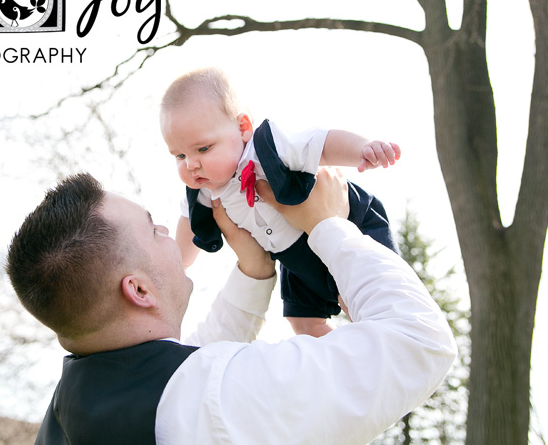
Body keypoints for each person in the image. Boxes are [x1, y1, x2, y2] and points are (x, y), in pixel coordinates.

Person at [6, 168, 457, 445]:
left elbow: (191, 370)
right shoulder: (207, 401)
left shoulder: (79, 406)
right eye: (152, 228)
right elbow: (418, 342)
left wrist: (254, 270)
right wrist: (328, 227)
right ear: (138, 291)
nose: (168, 229)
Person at [160, 67, 401, 336]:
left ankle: (390, 345)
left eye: (203, 149)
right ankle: (348, 367)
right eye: (179, 156)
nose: (192, 165)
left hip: (347, 222)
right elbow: (188, 228)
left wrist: (363, 148)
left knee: (363, 297)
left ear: (243, 128)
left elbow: (321, 144)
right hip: (295, 258)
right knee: (304, 323)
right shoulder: (203, 191)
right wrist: (177, 268)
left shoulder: (268, 148)